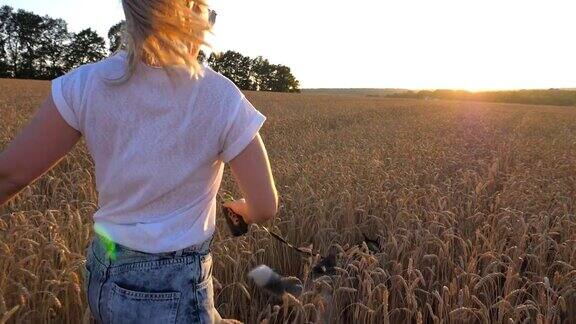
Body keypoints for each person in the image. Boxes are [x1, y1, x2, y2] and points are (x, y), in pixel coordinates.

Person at [0, 0, 278, 323]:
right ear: (190, 10)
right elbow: (266, 204)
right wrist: (241, 208)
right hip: (176, 286)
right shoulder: (221, 97)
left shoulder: (86, 83)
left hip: (102, 275)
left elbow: (9, 175)